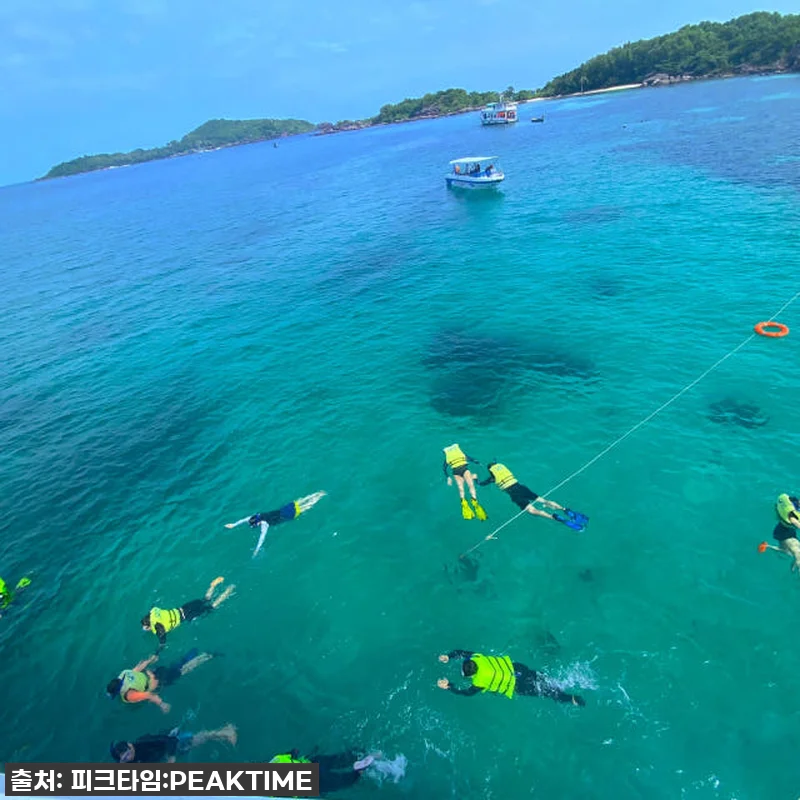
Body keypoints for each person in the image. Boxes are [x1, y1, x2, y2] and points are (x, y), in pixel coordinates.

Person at [437, 650, 585, 706]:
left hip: (518, 685)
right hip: (519, 669)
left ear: (471, 675)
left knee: (547, 692)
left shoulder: (479, 681)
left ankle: (571, 699)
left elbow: (466, 693)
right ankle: (564, 682)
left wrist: (449, 686)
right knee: (543, 680)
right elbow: (463, 653)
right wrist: (449, 656)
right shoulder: (478, 658)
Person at [478, 462, 588, 530]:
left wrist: (476, 480)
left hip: (514, 493)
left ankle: (554, 518)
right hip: (522, 488)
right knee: (544, 501)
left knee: (532, 511)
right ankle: (565, 510)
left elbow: (482, 484)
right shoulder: (504, 470)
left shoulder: (492, 478)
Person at [106, 648, 217, 712]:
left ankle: (207, 656)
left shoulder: (129, 695)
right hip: (155, 671)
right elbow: (139, 667)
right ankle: (193, 653)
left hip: (159, 680)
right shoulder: (124, 673)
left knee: (183, 670)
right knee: (175, 667)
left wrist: (162, 704)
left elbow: (148, 695)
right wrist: (151, 660)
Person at [224, 491, 326, 557]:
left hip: (286, 515)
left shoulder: (264, 525)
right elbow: (244, 520)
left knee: (305, 507)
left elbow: (262, 538)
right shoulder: (256, 515)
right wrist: (234, 524)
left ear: (258, 523)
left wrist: (257, 549)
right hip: (283, 510)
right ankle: (318, 494)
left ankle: (317, 498)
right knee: (300, 502)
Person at [141, 577, 235, 647]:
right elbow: (153, 608)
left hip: (187, 616)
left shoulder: (157, 627)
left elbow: (162, 640)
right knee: (205, 599)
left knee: (212, 607)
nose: (145, 629)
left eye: (146, 627)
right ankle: (212, 586)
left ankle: (228, 592)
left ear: (149, 625)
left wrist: (159, 649)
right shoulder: (153, 612)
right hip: (184, 607)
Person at [110, 724, 237, 764]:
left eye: (128, 754)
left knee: (196, 740)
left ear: (130, 745)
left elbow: (168, 741)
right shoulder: (128, 762)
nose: (128, 758)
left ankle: (226, 731)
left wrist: (171, 757)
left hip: (171, 742)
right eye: (124, 759)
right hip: (163, 755)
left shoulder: (142, 742)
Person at [270, 750, 380, 794]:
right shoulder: (276, 760)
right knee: (337, 759)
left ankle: (360, 770)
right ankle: (361, 754)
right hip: (311, 762)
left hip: (313, 780)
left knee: (346, 780)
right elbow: (293, 752)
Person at [442, 444, 487, 521]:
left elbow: (444, 468)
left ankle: (464, 503)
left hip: (455, 472)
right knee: (471, 485)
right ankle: (474, 501)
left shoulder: (447, 458)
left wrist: (448, 477)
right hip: (464, 470)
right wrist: (478, 463)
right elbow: (471, 459)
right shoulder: (462, 454)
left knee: (461, 489)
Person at [773, 493, 800, 569]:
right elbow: (794, 521)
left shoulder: (794, 502)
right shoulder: (792, 513)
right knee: (798, 552)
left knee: (789, 551)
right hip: (784, 533)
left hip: (785, 530)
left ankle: (769, 547)